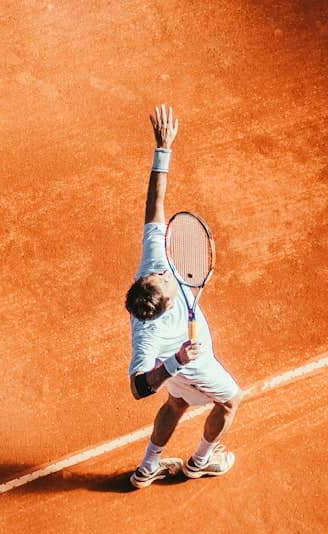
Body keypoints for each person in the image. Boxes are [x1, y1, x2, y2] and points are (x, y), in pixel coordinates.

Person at [124, 104, 242, 489]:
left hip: (178, 368)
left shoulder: (152, 265)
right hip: (192, 365)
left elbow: (153, 205)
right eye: (166, 282)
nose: (166, 273)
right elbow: (139, 387)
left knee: (176, 403)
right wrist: (175, 363)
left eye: (160, 274)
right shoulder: (148, 335)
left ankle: (147, 469)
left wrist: (164, 148)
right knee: (230, 400)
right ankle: (200, 462)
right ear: (166, 306)